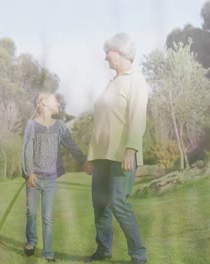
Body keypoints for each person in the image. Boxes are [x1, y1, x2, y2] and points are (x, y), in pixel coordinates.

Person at [85, 33, 148, 264]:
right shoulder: (112, 82)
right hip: (101, 155)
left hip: (122, 155)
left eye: (108, 52)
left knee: (118, 203)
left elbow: (137, 117)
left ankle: (138, 255)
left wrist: (131, 150)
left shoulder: (136, 79)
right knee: (100, 204)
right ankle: (103, 250)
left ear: (120, 52)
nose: (105, 57)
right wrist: (91, 157)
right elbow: (100, 124)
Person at [22, 91, 93, 262]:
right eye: (55, 100)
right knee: (31, 213)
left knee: (48, 217)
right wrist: (29, 172)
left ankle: (48, 253)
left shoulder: (59, 125)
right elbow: (27, 149)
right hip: (34, 178)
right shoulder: (32, 125)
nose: (59, 104)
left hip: (51, 179)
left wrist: (84, 162)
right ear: (44, 102)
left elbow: (71, 144)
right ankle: (31, 241)